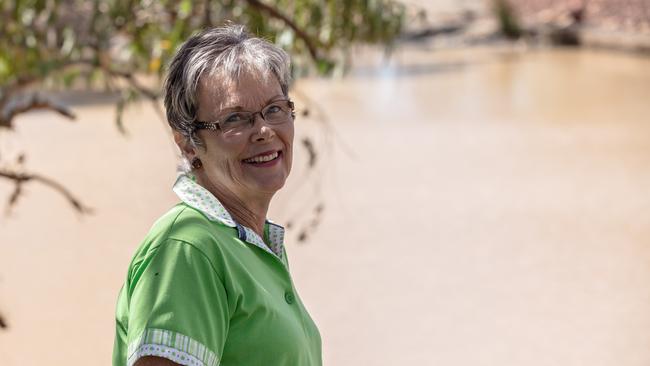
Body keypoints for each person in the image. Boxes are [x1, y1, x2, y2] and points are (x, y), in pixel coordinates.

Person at [112, 24, 322, 366]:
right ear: (188, 144)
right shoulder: (188, 249)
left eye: (274, 109)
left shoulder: (247, 244)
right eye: (235, 119)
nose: (264, 131)